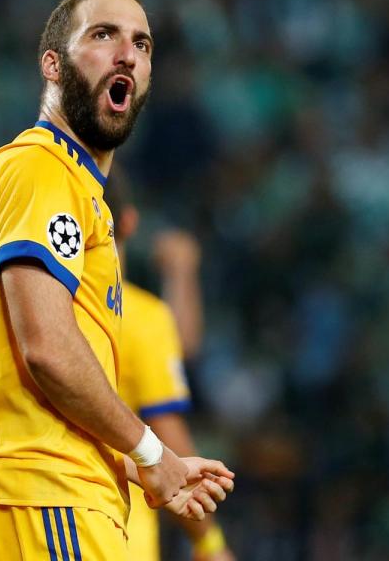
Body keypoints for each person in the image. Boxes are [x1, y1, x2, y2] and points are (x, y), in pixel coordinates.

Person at [0, 0, 235, 559]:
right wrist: (153, 453)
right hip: (45, 503)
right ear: (52, 64)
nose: (127, 53)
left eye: (142, 43)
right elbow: (48, 349)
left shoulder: (77, 190)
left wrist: (152, 467)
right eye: (103, 35)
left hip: (42, 500)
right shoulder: (42, 168)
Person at [107, 176, 235, 561]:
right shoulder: (142, 317)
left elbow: (178, 349)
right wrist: (209, 541)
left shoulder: (45, 306)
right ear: (130, 222)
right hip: (116, 530)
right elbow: (169, 434)